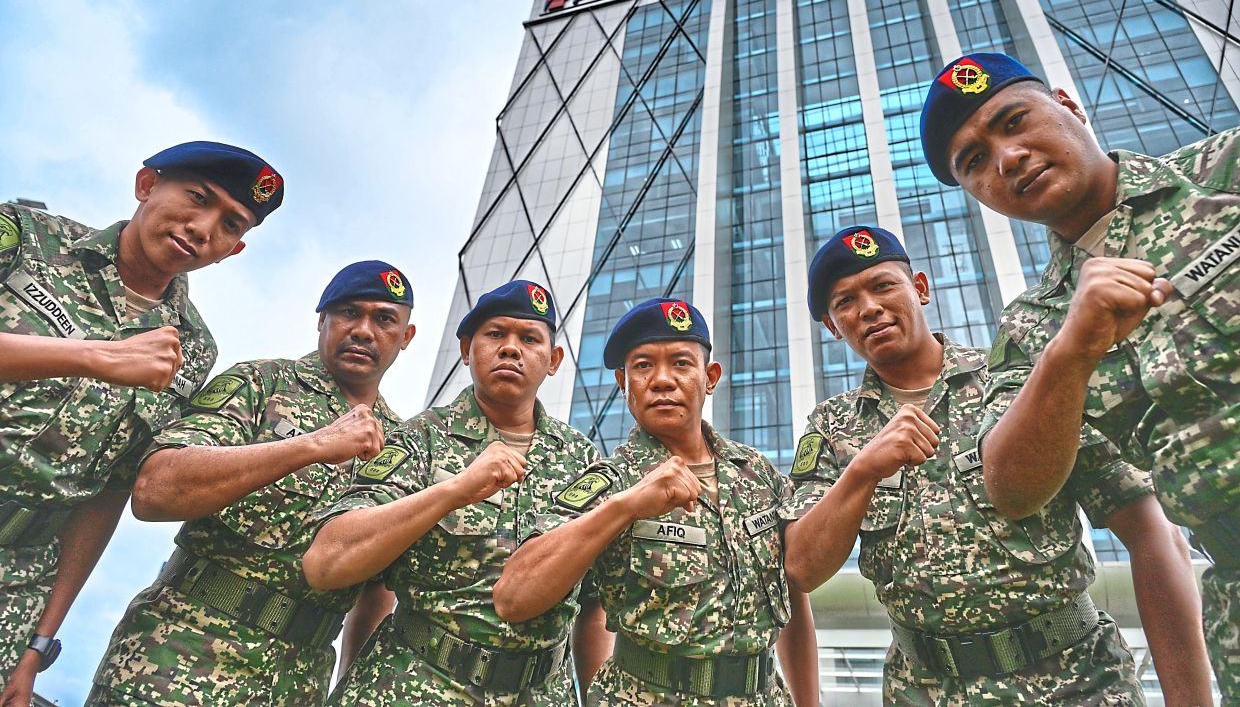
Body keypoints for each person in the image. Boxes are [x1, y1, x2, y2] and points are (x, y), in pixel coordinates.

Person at [920, 51, 1239, 698]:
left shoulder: (1224, 175)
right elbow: (1012, 487)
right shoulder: (1034, 328)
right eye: (974, 162)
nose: (1006, 159)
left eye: (1014, 122)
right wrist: (1071, 352)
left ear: (1068, 105)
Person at [783, 225, 1211, 704]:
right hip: (924, 690)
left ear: (919, 289)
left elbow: (1149, 530)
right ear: (832, 326)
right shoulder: (833, 425)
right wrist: (862, 471)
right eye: (844, 302)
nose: (868, 308)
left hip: (1076, 683)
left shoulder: (1018, 380)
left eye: (883, 285)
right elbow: (801, 567)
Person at [0, 141, 283, 700]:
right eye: (197, 198)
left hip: (16, 582)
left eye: (229, 223)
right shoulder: (26, 238)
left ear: (235, 249)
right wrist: (94, 357)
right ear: (146, 184)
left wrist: (37, 644)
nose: (203, 228)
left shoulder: (192, 348)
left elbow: (105, 497)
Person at [86, 260, 414, 705]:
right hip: (176, 655)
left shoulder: (403, 449)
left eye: (384, 319)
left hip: (295, 682)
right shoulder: (261, 383)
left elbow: (376, 589)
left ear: (405, 337)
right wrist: (312, 445)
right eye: (348, 312)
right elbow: (154, 491)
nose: (362, 330)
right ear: (322, 320)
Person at [494, 298, 820, 707]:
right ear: (623, 382)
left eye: (681, 363)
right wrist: (624, 508)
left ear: (711, 376)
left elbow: (793, 598)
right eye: (643, 365)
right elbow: (513, 595)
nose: (662, 380)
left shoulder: (758, 473)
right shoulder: (609, 483)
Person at [303, 280, 608, 705]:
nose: (510, 349)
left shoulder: (583, 460)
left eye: (529, 338)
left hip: (540, 693)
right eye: (496, 334)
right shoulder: (419, 439)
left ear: (553, 360)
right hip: (416, 685)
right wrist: (452, 491)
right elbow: (328, 562)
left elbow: (592, 604)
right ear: (466, 350)